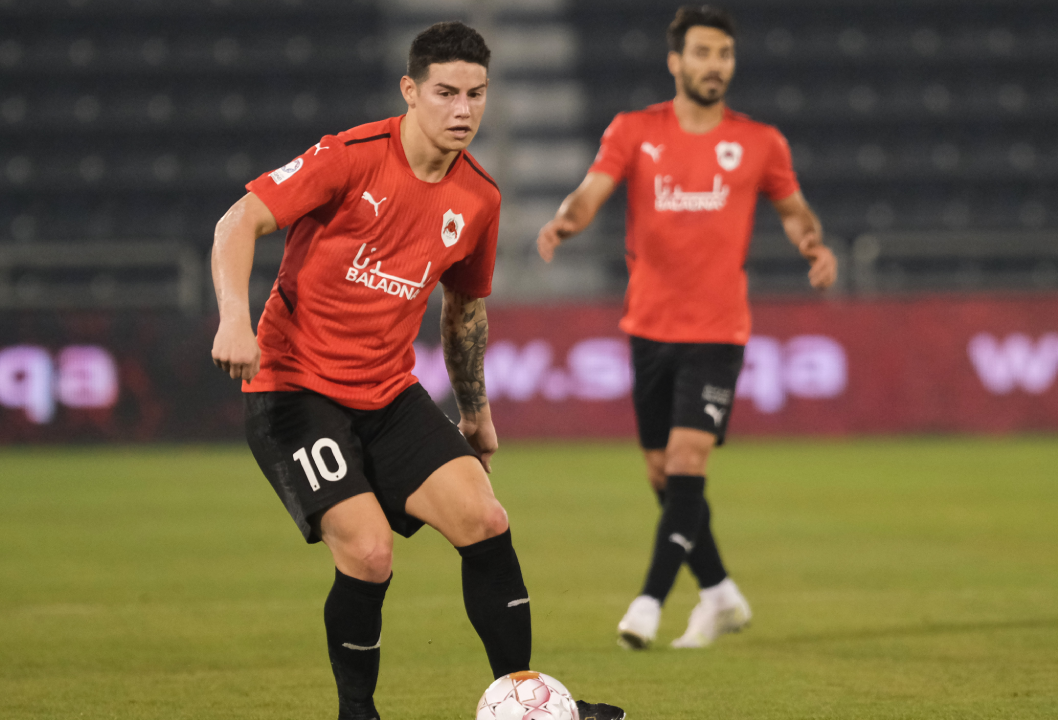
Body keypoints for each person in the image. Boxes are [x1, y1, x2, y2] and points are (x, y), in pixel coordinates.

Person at [210, 22, 624, 720]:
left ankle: (527, 701)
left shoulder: (480, 200)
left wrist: (475, 411)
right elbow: (237, 221)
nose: (463, 109)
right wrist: (232, 318)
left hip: (388, 392)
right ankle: (357, 713)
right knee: (370, 553)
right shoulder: (350, 156)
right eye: (446, 93)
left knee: (485, 520)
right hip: (294, 388)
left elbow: (463, 313)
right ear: (411, 91)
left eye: (476, 94)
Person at [537, 6, 838, 650]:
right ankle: (721, 593)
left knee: (686, 460)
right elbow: (593, 190)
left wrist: (812, 245)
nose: (714, 65)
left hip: (718, 331)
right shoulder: (635, 130)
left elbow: (793, 209)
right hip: (648, 328)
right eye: (701, 53)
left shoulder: (760, 142)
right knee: (661, 474)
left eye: (723, 54)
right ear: (675, 61)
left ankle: (648, 603)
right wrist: (567, 221)